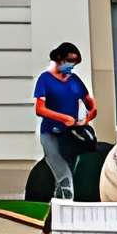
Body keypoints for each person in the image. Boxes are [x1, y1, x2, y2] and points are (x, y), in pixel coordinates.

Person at [35, 41, 97, 201]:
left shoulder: (74, 80)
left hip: (70, 136)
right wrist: (63, 118)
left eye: (74, 62)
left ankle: (57, 209)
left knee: (67, 169)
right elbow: (40, 109)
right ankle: (68, 202)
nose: (71, 65)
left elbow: (91, 104)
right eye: (69, 61)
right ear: (59, 58)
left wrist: (86, 119)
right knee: (63, 173)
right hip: (50, 134)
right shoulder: (45, 79)